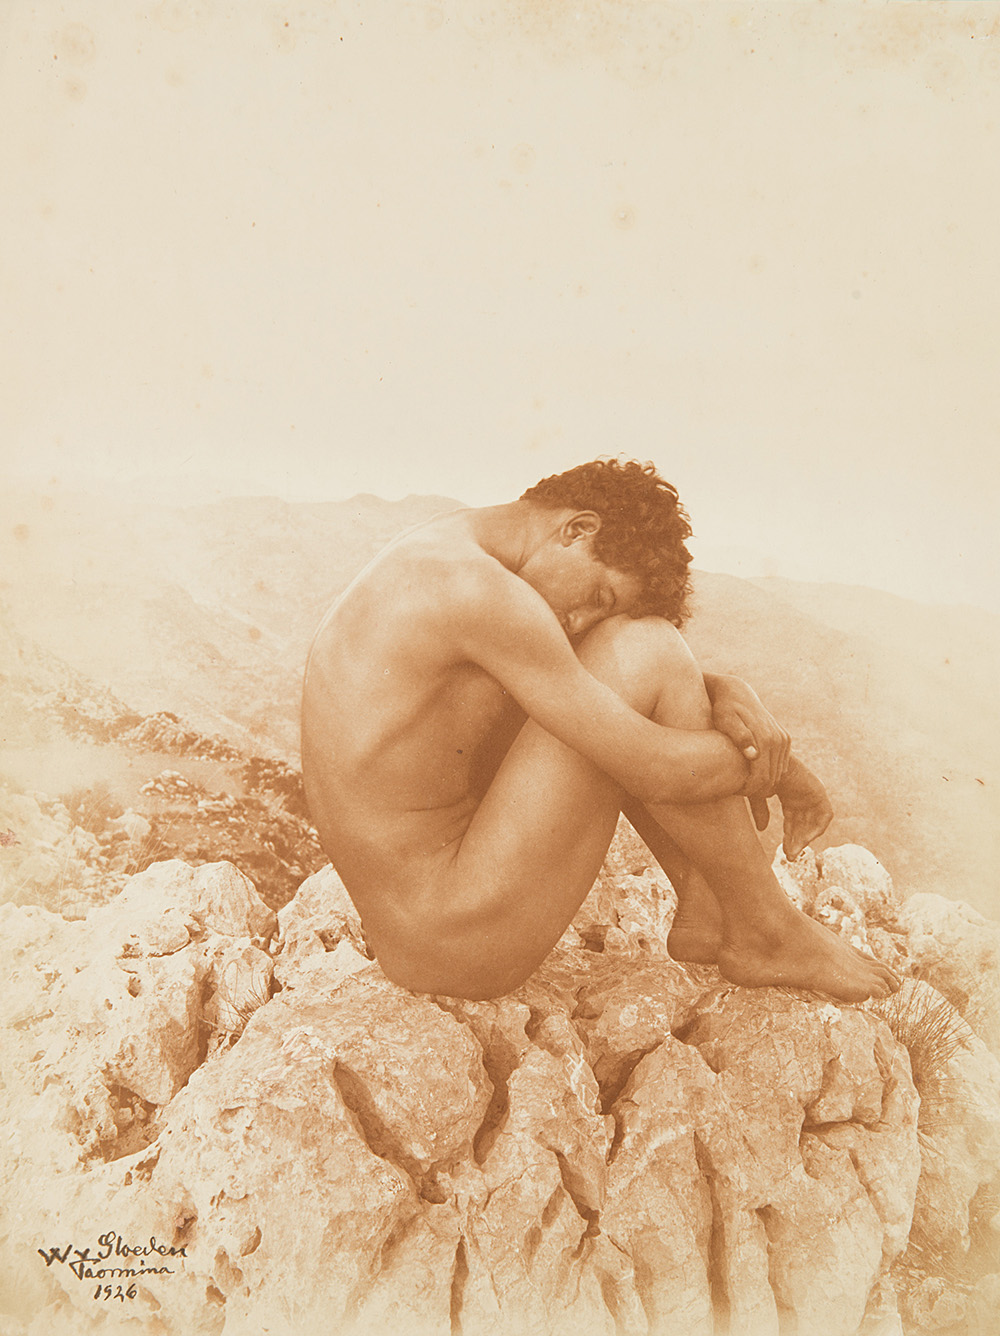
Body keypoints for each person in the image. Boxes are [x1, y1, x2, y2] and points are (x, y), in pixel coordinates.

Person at [301, 458, 900, 1003]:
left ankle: (707, 900)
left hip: (429, 932)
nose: (580, 622)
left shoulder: (449, 552)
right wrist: (780, 769)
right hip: (460, 941)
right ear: (577, 529)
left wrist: (724, 690)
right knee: (648, 647)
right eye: (598, 595)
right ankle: (766, 928)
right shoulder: (480, 593)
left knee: (638, 661)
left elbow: (566, 687)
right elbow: (656, 768)